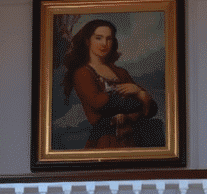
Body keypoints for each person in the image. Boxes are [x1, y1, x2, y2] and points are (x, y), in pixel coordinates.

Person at [60, 18, 162, 149]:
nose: (104, 43)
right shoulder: (82, 73)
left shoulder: (120, 72)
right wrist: (135, 101)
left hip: (134, 138)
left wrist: (140, 92)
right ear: (87, 41)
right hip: (106, 141)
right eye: (98, 38)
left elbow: (152, 108)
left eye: (109, 39)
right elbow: (98, 104)